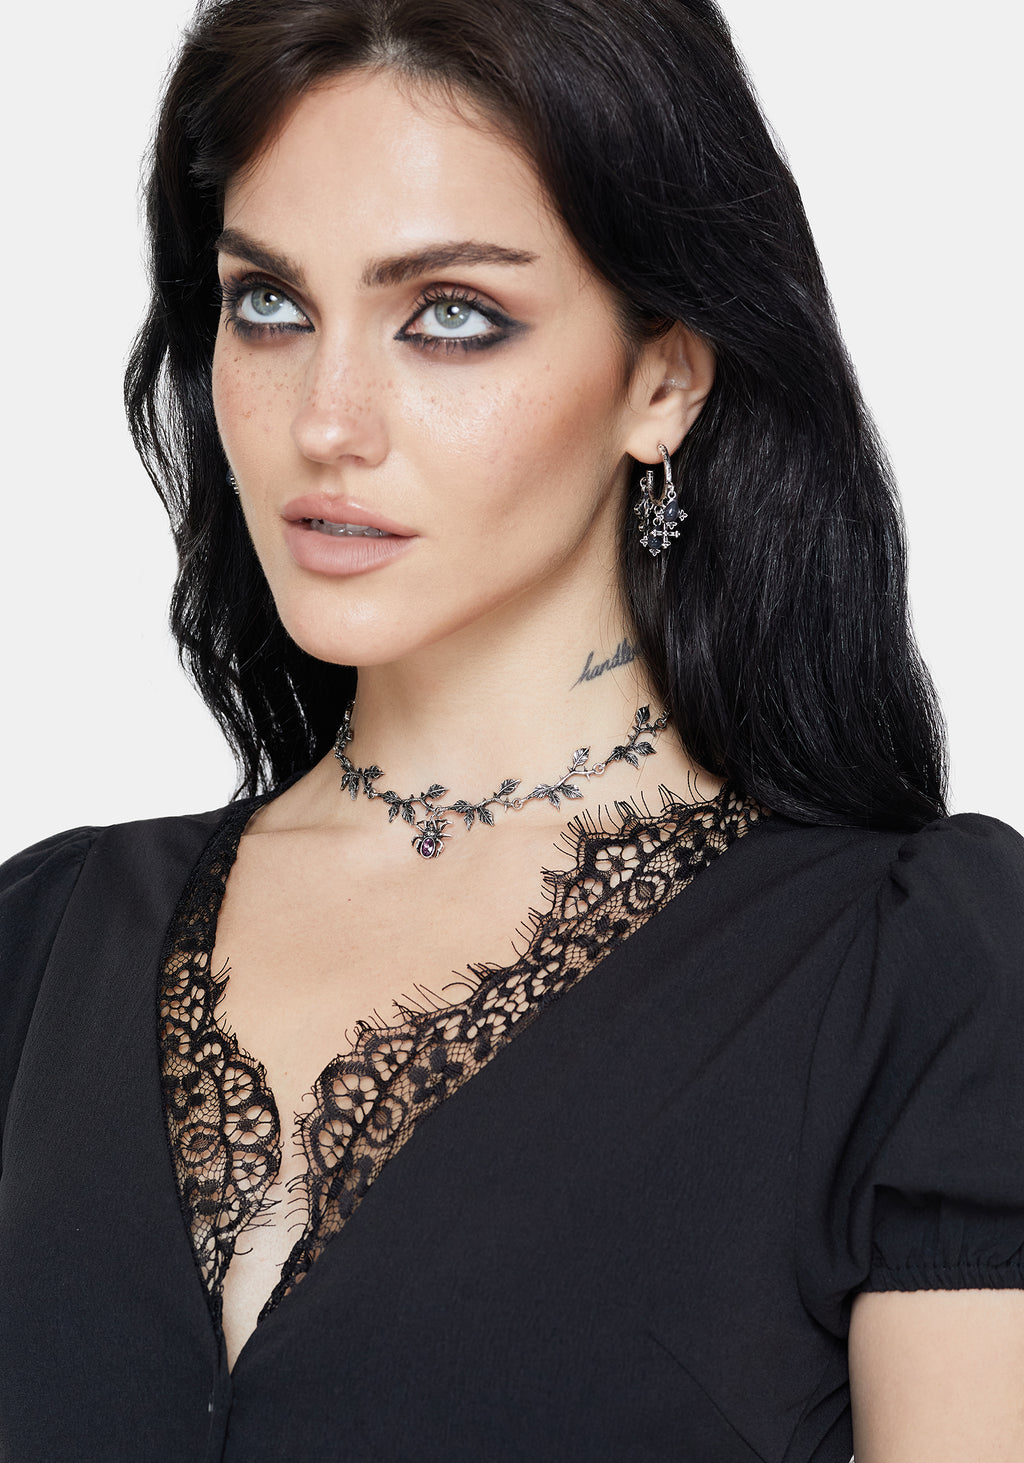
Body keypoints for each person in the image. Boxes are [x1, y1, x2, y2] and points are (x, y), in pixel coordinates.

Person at [1, 0, 1022, 1457]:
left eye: (452, 317)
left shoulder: (913, 977)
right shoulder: (43, 946)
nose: (327, 422)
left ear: (662, 377)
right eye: (269, 304)